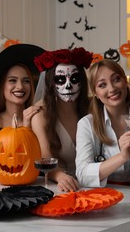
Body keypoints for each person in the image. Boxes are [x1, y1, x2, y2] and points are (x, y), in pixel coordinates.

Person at [31, 47, 92, 192]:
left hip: (96, 182)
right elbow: (46, 159)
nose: (68, 85)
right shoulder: (40, 116)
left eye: (74, 79)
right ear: (51, 83)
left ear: (82, 81)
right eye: (60, 79)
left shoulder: (92, 107)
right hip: (61, 187)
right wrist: (60, 176)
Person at [75, 59, 130, 188]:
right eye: (102, 85)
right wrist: (122, 156)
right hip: (106, 194)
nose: (112, 88)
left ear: (125, 82)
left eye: (116, 79)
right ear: (95, 93)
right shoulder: (87, 124)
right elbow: (82, 175)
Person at [0, 44, 45, 129]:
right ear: (2, 86)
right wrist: (26, 128)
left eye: (26, 81)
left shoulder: (38, 119)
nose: (20, 86)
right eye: (12, 80)